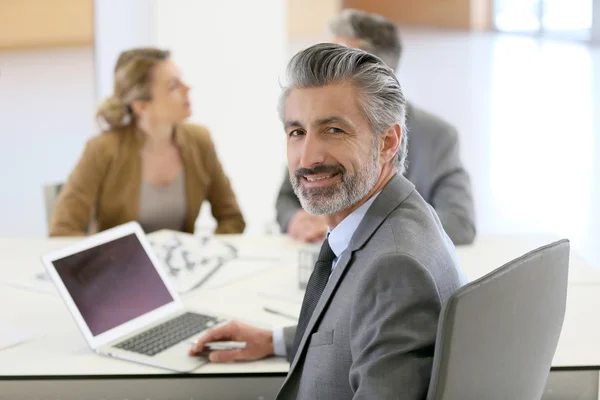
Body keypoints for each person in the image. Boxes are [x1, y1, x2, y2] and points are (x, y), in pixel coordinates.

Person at [190, 43, 464, 399]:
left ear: (387, 141)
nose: (308, 157)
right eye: (297, 132)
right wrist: (273, 340)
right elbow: (361, 326)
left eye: (333, 130)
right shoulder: (391, 217)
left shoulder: (395, 268)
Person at [276, 9, 476, 245]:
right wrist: (296, 220)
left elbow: (460, 222)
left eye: (340, 63)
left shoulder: (438, 136)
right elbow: (287, 198)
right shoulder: (311, 132)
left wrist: (355, 223)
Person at [49, 48, 245, 236]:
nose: (188, 88)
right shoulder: (102, 149)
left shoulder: (200, 141)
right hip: (122, 267)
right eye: (173, 86)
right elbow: (63, 229)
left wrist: (203, 253)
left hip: (181, 267)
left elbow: (232, 218)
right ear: (141, 106)